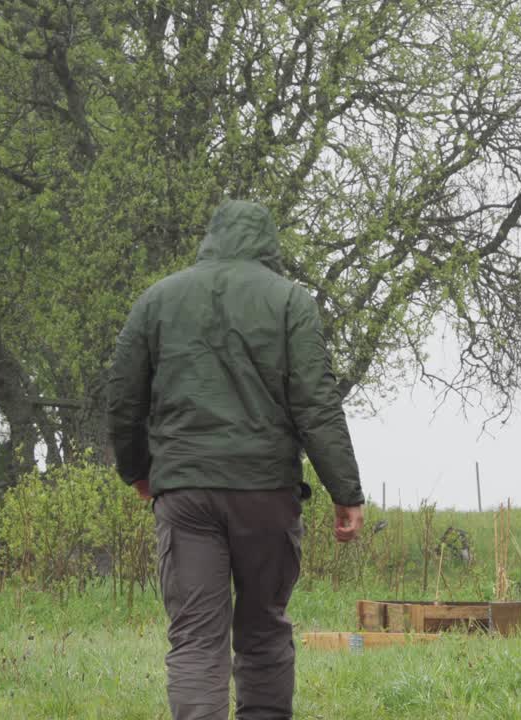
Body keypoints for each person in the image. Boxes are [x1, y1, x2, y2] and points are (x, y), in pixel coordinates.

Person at [106, 199, 365, 720]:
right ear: (268, 245)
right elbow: (316, 403)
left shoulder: (157, 299)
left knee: (197, 637)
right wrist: (346, 492)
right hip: (265, 491)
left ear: (211, 238)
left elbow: (123, 396)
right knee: (264, 628)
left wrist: (137, 469)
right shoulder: (290, 301)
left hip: (185, 492)